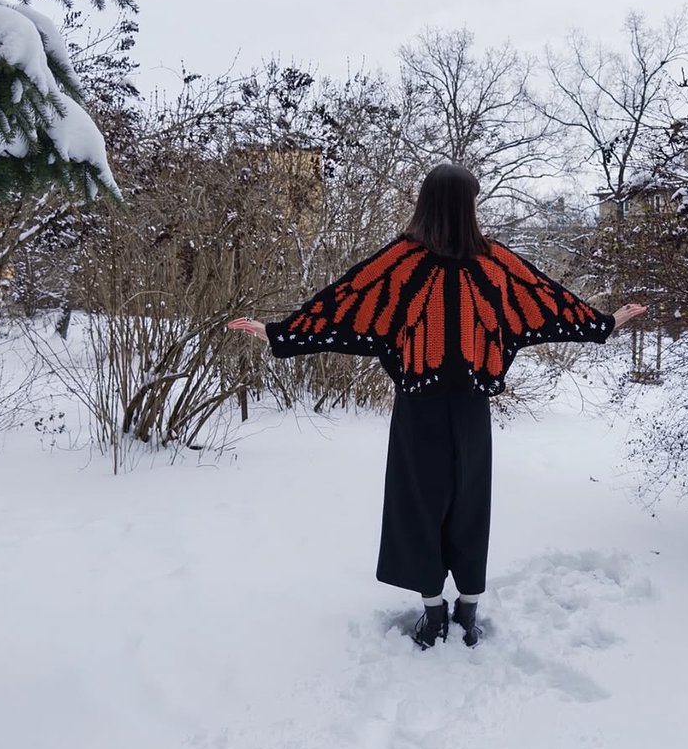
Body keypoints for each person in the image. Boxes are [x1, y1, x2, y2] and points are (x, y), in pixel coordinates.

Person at [228, 163, 646, 649]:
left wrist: (279, 333)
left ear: (424, 203)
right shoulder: (493, 262)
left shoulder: (403, 261)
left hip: (419, 406)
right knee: (469, 506)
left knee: (418, 507)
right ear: (468, 205)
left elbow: (345, 303)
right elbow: (547, 302)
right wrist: (603, 324)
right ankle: (466, 612)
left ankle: (435, 614)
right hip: (469, 409)